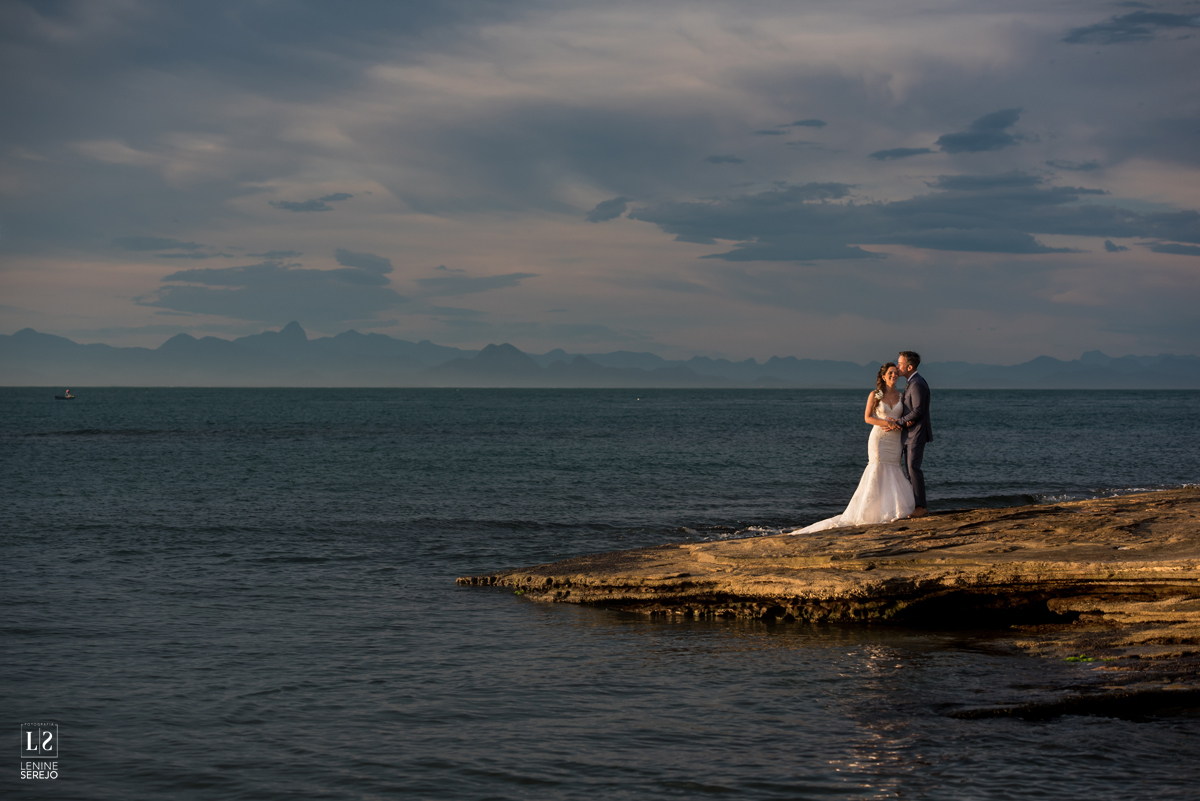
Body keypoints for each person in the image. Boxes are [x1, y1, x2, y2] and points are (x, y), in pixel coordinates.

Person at [790, 363, 915, 533]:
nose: (894, 375)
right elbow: (867, 417)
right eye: (890, 373)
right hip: (879, 439)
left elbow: (907, 417)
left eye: (895, 373)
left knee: (893, 469)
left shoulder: (902, 396)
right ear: (884, 376)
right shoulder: (877, 393)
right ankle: (870, 512)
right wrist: (888, 423)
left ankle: (892, 508)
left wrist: (898, 425)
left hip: (895, 441)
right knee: (877, 470)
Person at [889, 351, 931, 519]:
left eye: (900, 364)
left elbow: (918, 411)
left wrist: (898, 422)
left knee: (913, 469)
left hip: (916, 434)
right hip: (910, 434)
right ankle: (914, 505)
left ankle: (921, 507)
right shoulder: (911, 382)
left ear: (910, 366)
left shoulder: (917, 383)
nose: (897, 366)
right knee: (909, 469)